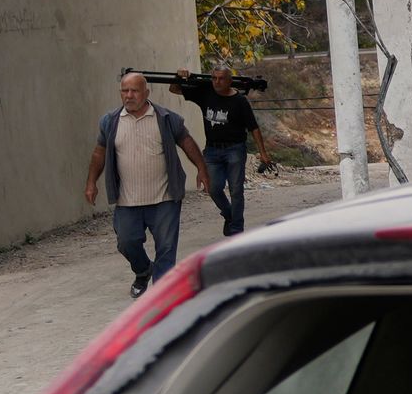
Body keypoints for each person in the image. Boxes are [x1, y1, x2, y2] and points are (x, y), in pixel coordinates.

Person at [83, 70, 195, 294]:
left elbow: (187, 141)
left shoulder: (165, 118)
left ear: (146, 93)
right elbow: (99, 153)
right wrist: (91, 183)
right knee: (126, 242)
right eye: (125, 91)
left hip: (164, 197)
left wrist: (202, 169)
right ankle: (143, 270)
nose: (129, 95)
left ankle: (160, 294)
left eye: (134, 90)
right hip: (127, 199)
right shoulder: (110, 121)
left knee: (166, 247)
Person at [168, 67, 278, 235]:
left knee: (236, 190)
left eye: (221, 79)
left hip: (235, 149)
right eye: (214, 78)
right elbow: (174, 89)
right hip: (212, 150)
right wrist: (179, 76)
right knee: (213, 188)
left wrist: (263, 153)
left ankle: (236, 229)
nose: (217, 82)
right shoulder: (205, 92)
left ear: (229, 80)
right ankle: (229, 215)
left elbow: (253, 128)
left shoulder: (240, 101)